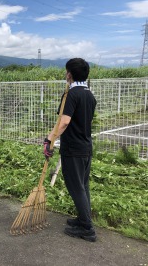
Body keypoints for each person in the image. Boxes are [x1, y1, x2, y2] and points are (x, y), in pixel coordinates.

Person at [44, 58, 97, 242]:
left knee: (76, 188)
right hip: (85, 146)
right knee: (83, 186)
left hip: (73, 149)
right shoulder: (89, 94)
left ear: (69, 74)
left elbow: (64, 121)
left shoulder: (72, 94)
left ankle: (87, 229)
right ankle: (84, 220)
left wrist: (49, 139)